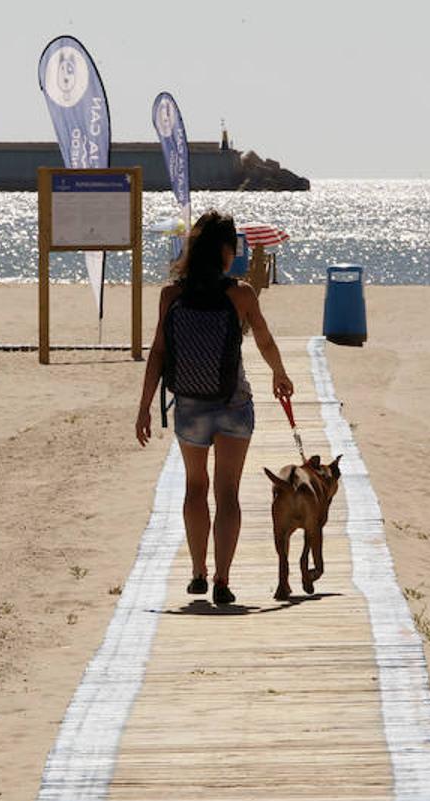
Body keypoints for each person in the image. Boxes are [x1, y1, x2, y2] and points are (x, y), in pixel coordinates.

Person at [135, 210, 294, 606]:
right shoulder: (240, 293)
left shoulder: (171, 295)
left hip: (189, 405)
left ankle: (197, 573)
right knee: (228, 493)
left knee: (194, 489)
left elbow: (157, 354)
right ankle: (223, 579)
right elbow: (264, 339)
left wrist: (143, 409)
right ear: (226, 251)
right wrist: (280, 375)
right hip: (233, 403)